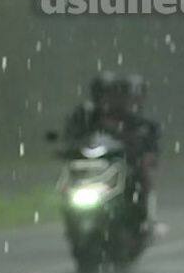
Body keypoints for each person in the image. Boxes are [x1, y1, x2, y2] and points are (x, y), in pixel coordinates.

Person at [64, 72, 160, 228]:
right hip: (91, 166)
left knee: (140, 179)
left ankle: (143, 218)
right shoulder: (86, 115)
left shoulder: (133, 118)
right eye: (104, 94)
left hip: (120, 165)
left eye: (111, 94)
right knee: (67, 184)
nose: (107, 99)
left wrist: (143, 154)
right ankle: (71, 217)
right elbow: (72, 136)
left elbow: (148, 140)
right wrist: (71, 150)